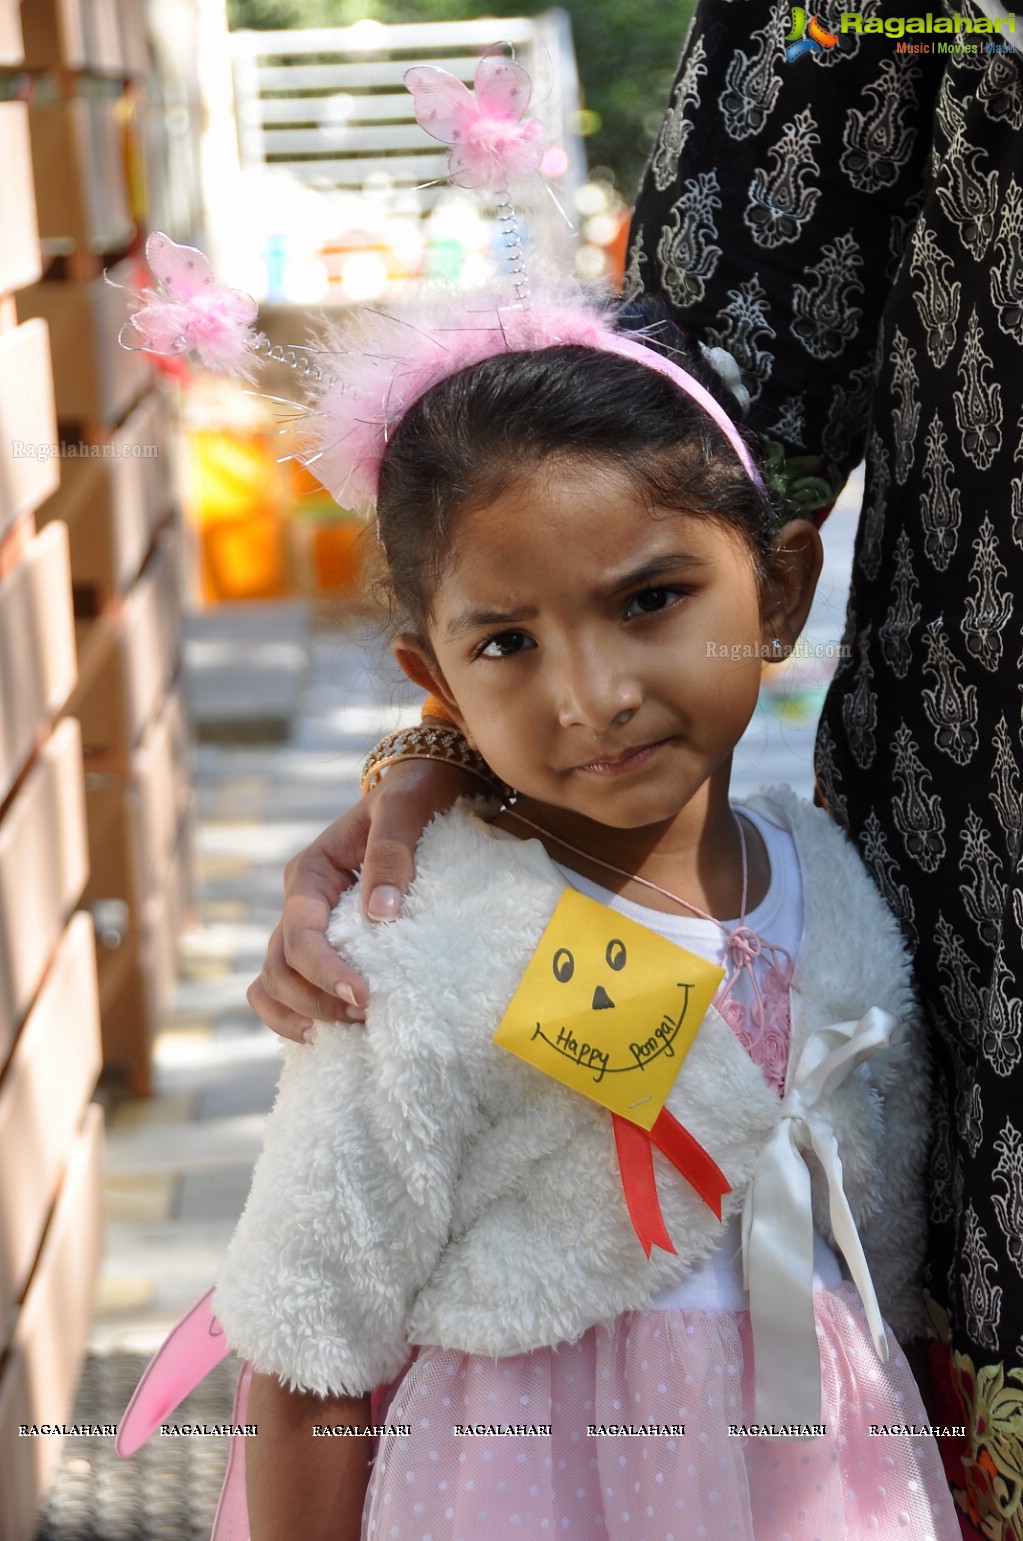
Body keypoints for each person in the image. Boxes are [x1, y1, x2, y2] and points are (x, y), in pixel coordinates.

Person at [251, 11, 1023, 1539]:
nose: (594, 693)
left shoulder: (847, 911)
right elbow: (309, 1336)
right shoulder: (436, 957)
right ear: (434, 679)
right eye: (508, 643)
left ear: (783, 591)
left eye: (652, 602)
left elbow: (876, 1243)